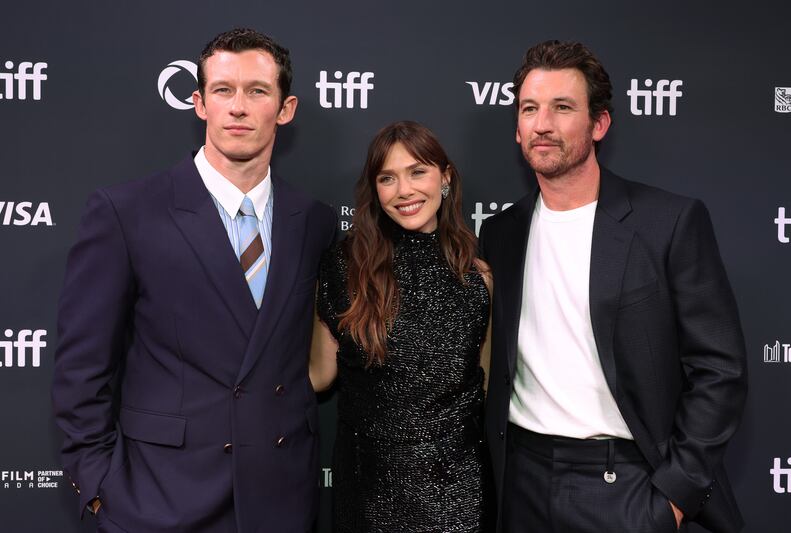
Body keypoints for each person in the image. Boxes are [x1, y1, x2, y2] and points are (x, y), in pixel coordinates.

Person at [52, 28, 336, 532]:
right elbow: (82, 371)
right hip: (162, 500)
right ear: (199, 103)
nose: (239, 107)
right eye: (223, 90)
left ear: (285, 108)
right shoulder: (127, 213)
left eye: (257, 91)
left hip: (282, 499)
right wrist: (100, 489)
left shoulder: (311, 220)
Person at [479, 40, 747, 533]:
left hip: (627, 486)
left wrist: (672, 497)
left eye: (562, 108)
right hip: (519, 482)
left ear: (598, 124)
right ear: (517, 128)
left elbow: (719, 369)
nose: (542, 124)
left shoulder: (668, 222)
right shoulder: (500, 233)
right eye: (529, 109)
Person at [310, 121, 492, 532]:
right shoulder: (343, 267)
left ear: (444, 178)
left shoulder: (478, 278)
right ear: (375, 190)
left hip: (458, 490)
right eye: (387, 178)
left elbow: (485, 383)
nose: (404, 190)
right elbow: (320, 376)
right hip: (368, 488)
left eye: (418, 172)